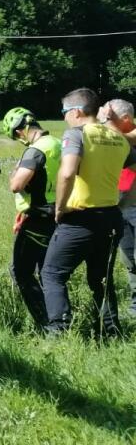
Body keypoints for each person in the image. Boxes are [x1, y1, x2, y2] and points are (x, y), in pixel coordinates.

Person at [41, 88, 136, 337]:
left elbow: (67, 173)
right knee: (101, 279)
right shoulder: (119, 139)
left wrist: (60, 207)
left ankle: (58, 332)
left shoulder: (77, 134)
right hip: (111, 217)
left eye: (64, 112)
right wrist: (123, 204)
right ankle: (111, 331)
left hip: (80, 218)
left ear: (76, 112)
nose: (64, 117)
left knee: (52, 274)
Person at [1, 106, 59, 330]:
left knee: (21, 271)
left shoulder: (35, 150)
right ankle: (58, 318)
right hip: (58, 214)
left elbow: (16, 185)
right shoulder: (57, 143)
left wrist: (14, 171)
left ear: (19, 131)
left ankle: (46, 323)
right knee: (47, 271)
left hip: (38, 217)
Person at [99, 98, 136, 317]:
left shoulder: (128, 135)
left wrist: (105, 123)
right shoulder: (116, 139)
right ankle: (134, 307)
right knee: (129, 259)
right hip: (121, 206)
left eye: (111, 117)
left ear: (126, 118)